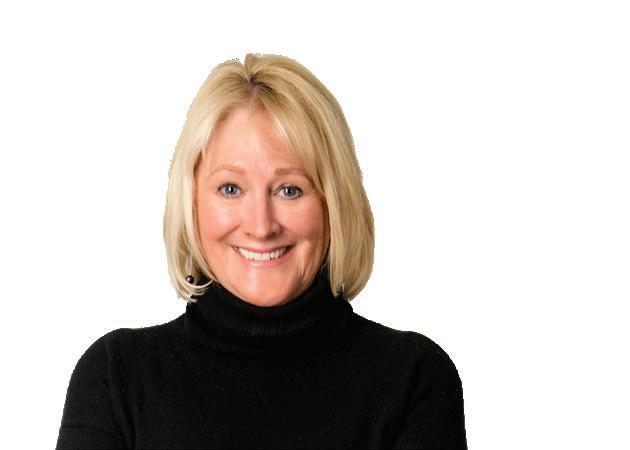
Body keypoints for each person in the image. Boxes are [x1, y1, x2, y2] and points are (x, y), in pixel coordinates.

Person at [55, 53, 467, 449]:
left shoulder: (412, 379)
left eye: (290, 190)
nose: (261, 226)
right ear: (192, 203)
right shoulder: (116, 377)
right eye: (230, 188)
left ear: (334, 204)